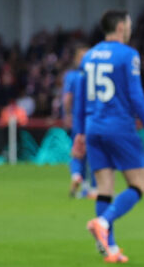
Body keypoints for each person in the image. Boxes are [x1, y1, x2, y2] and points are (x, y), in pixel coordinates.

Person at [71, 10, 144, 264]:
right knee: (138, 185)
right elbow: (135, 95)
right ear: (121, 27)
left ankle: (110, 249)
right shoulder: (128, 55)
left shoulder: (88, 56)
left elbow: (80, 97)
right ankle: (103, 222)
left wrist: (78, 133)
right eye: (129, 25)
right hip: (119, 126)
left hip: (93, 127)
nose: (130, 29)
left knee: (104, 189)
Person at [63, 43, 93, 198]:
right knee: (92, 152)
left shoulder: (71, 76)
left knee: (77, 149)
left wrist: (67, 114)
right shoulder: (94, 75)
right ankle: (90, 188)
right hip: (94, 118)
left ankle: (76, 175)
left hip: (78, 118)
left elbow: (67, 98)